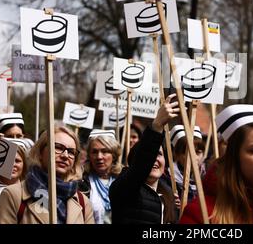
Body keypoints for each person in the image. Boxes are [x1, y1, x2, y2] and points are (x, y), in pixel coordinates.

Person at [0, 126, 95, 224]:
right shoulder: (13, 196)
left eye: (71, 152)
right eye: (58, 147)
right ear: (40, 152)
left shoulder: (83, 202)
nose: (65, 155)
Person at [109, 94, 179, 224]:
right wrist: (157, 125)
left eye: (159, 154)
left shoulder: (169, 196)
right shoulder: (123, 187)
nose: (154, 159)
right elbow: (139, 168)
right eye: (150, 155)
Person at [79, 129, 122, 224]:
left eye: (104, 151)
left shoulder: (123, 181)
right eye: (94, 152)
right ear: (89, 155)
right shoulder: (81, 183)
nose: (99, 157)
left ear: (114, 155)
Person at [168, 125, 205, 202]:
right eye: (188, 153)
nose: (194, 157)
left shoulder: (208, 176)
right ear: (177, 154)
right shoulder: (168, 178)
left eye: (198, 152)